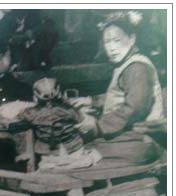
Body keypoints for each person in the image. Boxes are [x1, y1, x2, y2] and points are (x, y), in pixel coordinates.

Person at [66, 11, 164, 143]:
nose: (111, 48)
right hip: (131, 133)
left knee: (80, 151)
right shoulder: (126, 64)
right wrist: (91, 101)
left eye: (117, 41)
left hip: (141, 138)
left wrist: (98, 126)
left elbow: (135, 109)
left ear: (132, 39)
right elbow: (120, 96)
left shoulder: (137, 67)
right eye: (107, 42)